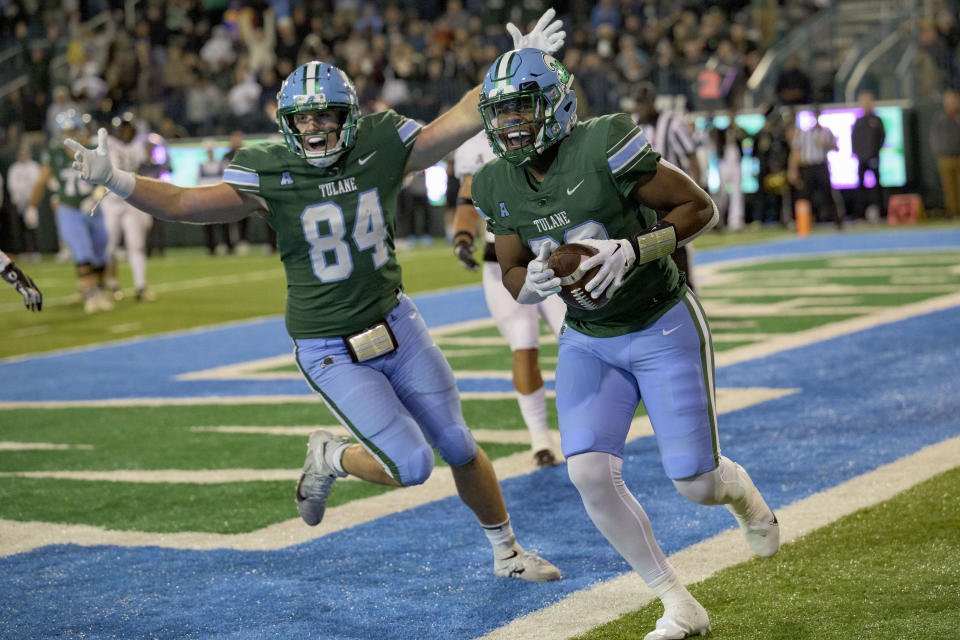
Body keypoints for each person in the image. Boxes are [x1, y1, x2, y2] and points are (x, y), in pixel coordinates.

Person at [66, 11, 567, 584]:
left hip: (397, 324)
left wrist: (512, 73)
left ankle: (507, 554)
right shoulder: (270, 170)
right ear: (286, 125)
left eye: (325, 116)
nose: (315, 131)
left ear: (348, 117)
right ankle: (331, 456)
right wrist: (118, 180)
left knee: (457, 442)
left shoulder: (381, 143)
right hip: (329, 344)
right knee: (411, 465)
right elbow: (183, 204)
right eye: (303, 121)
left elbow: (456, 121)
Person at [472, 48, 779, 640]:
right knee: (587, 473)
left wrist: (636, 247)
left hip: (661, 320)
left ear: (557, 105)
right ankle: (677, 603)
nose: (511, 124)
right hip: (588, 339)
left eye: (523, 109)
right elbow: (511, 267)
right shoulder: (495, 181)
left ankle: (743, 495)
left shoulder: (604, 142)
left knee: (696, 483)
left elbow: (700, 207)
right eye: (501, 112)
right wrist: (529, 284)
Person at [452, 130, 565, 466]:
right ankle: (539, 439)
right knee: (524, 343)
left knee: (576, 341)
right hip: (503, 259)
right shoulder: (474, 145)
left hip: (552, 252)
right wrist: (461, 236)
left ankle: (587, 427)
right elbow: (467, 199)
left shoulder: (548, 130)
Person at [30, 110, 112, 314]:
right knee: (82, 250)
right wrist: (32, 205)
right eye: (66, 130)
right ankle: (91, 293)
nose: (69, 133)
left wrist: (96, 195)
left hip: (92, 207)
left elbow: (106, 178)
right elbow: (43, 178)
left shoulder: (92, 148)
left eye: (72, 129)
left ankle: (100, 290)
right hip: (69, 209)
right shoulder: (54, 151)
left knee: (101, 250)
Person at [631, 82, 700, 290]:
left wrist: (698, 187)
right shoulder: (631, 125)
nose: (643, 107)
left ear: (653, 101)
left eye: (646, 102)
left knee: (676, 244)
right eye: (640, 102)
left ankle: (686, 290)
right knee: (645, 248)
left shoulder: (672, 123)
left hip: (671, 197)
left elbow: (692, 156)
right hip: (643, 199)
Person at [101, 111, 155, 302]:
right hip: (111, 200)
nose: (125, 132)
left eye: (128, 128)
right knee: (109, 246)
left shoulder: (138, 147)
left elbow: (141, 173)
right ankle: (111, 285)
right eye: (122, 128)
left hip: (131, 200)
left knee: (136, 245)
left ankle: (141, 287)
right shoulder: (107, 144)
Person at [789, 107, 843, 228]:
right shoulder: (802, 133)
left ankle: (837, 220)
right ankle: (802, 222)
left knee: (828, 193)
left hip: (821, 165)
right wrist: (793, 169)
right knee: (804, 195)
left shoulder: (826, 132)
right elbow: (796, 151)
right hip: (807, 166)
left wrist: (826, 144)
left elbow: (836, 147)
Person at [851, 91, 885, 221]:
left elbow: (882, 138)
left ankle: (881, 213)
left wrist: (874, 153)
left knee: (877, 187)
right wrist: (858, 154)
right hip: (861, 159)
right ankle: (860, 213)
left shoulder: (877, 120)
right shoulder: (858, 121)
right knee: (860, 187)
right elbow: (854, 139)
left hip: (874, 157)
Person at [7, 145, 42, 261]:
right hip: (19, 202)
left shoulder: (33, 166)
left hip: (32, 201)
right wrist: (20, 197)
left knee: (32, 226)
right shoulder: (14, 168)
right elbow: (12, 185)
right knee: (20, 227)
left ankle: (35, 250)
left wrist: (31, 198)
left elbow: (37, 183)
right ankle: (25, 250)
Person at [930, 89, 960, 219]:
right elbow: (934, 137)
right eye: (948, 100)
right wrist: (939, 152)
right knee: (949, 189)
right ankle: (953, 213)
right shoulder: (940, 118)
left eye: (953, 100)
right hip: (945, 158)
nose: (951, 103)